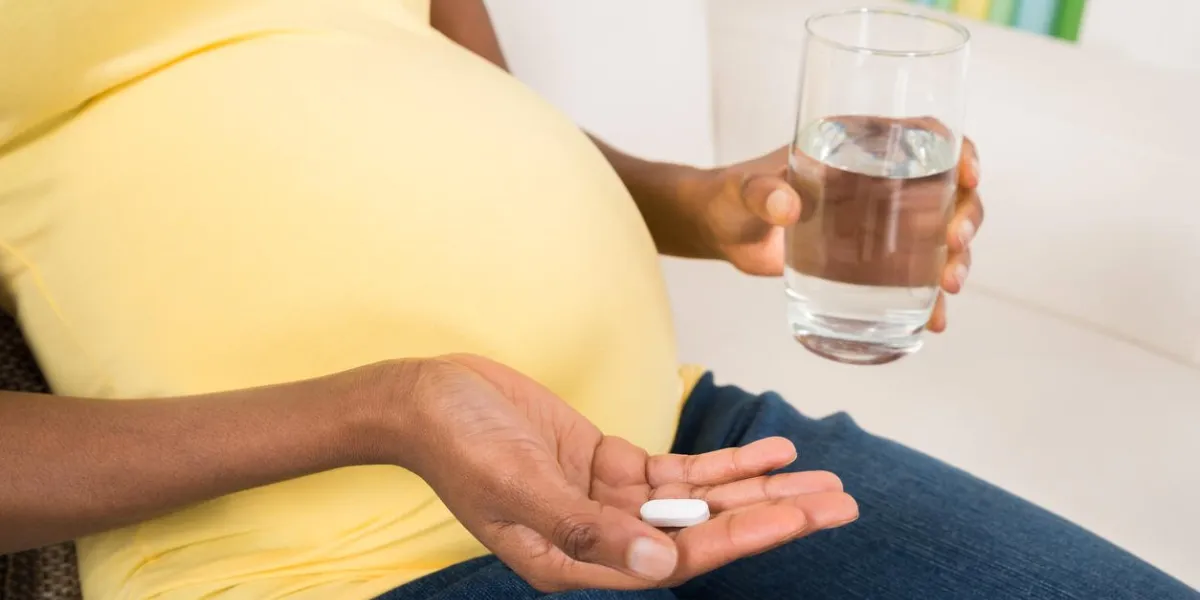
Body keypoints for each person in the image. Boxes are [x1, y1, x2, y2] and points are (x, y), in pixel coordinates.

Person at [0, 1, 1193, 599]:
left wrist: (701, 202)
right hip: (336, 566)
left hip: (677, 445)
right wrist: (393, 408)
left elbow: (465, 98)